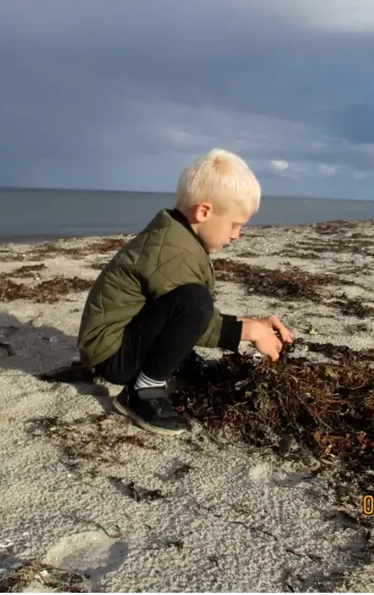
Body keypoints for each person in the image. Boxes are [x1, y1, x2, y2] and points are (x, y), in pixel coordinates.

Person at [77, 149, 294, 436]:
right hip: (111, 355)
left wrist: (253, 325)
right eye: (235, 225)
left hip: (125, 339)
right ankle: (143, 391)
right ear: (204, 211)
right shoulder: (172, 252)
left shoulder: (178, 237)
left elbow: (185, 315)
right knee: (194, 299)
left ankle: (171, 362)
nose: (236, 235)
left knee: (193, 301)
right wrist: (250, 331)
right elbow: (195, 315)